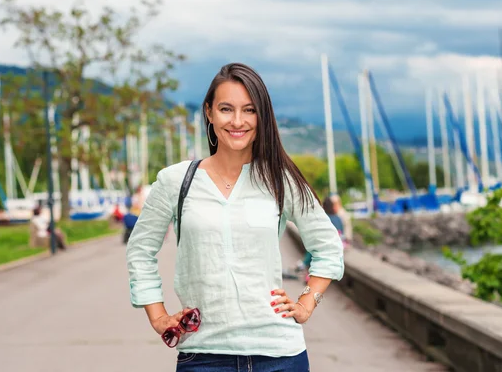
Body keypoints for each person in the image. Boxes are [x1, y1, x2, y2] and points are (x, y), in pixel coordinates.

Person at [126, 63, 344, 371]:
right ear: (209, 113)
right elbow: (140, 250)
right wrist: (157, 315)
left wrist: (308, 302)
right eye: (226, 109)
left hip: (280, 355)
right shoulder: (176, 181)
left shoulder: (281, 181)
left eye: (249, 110)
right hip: (203, 355)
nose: (238, 121)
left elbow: (328, 245)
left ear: (261, 117)